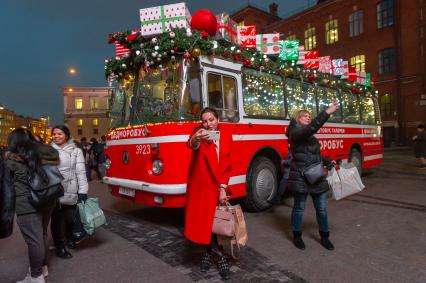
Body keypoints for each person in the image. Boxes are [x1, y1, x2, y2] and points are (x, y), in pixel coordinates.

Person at [4, 128, 60, 282]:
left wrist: (7, 215)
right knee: (41, 235)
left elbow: (8, 190)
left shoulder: (10, 160)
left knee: (34, 240)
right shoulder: (47, 152)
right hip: (48, 199)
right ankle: (42, 268)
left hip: (27, 204)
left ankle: (36, 277)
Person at [184, 107, 233, 280]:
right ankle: (219, 258)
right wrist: (196, 138)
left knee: (216, 223)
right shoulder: (198, 133)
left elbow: (227, 164)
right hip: (202, 186)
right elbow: (191, 144)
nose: (208, 124)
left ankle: (208, 255)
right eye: (205, 121)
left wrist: (222, 188)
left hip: (218, 186)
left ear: (218, 119)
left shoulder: (226, 135)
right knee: (206, 223)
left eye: (211, 120)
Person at [286, 100, 338, 251]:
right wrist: (327, 112)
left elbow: (314, 154)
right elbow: (311, 129)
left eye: (309, 116)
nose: (308, 118)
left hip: (316, 175)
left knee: (321, 208)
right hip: (301, 176)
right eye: (304, 116)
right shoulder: (295, 133)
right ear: (297, 119)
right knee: (299, 208)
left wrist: (328, 161)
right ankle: (297, 236)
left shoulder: (308, 136)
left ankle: (325, 236)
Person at [50, 125, 88, 258]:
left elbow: (81, 172)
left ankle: (70, 237)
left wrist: (83, 190)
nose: (56, 136)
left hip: (71, 188)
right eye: (54, 134)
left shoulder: (76, 151)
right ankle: (59, 246)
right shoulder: (48, 150)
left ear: (66, 135)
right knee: (56, 219)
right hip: (54, 190)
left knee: (71, 217)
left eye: (59, 134)